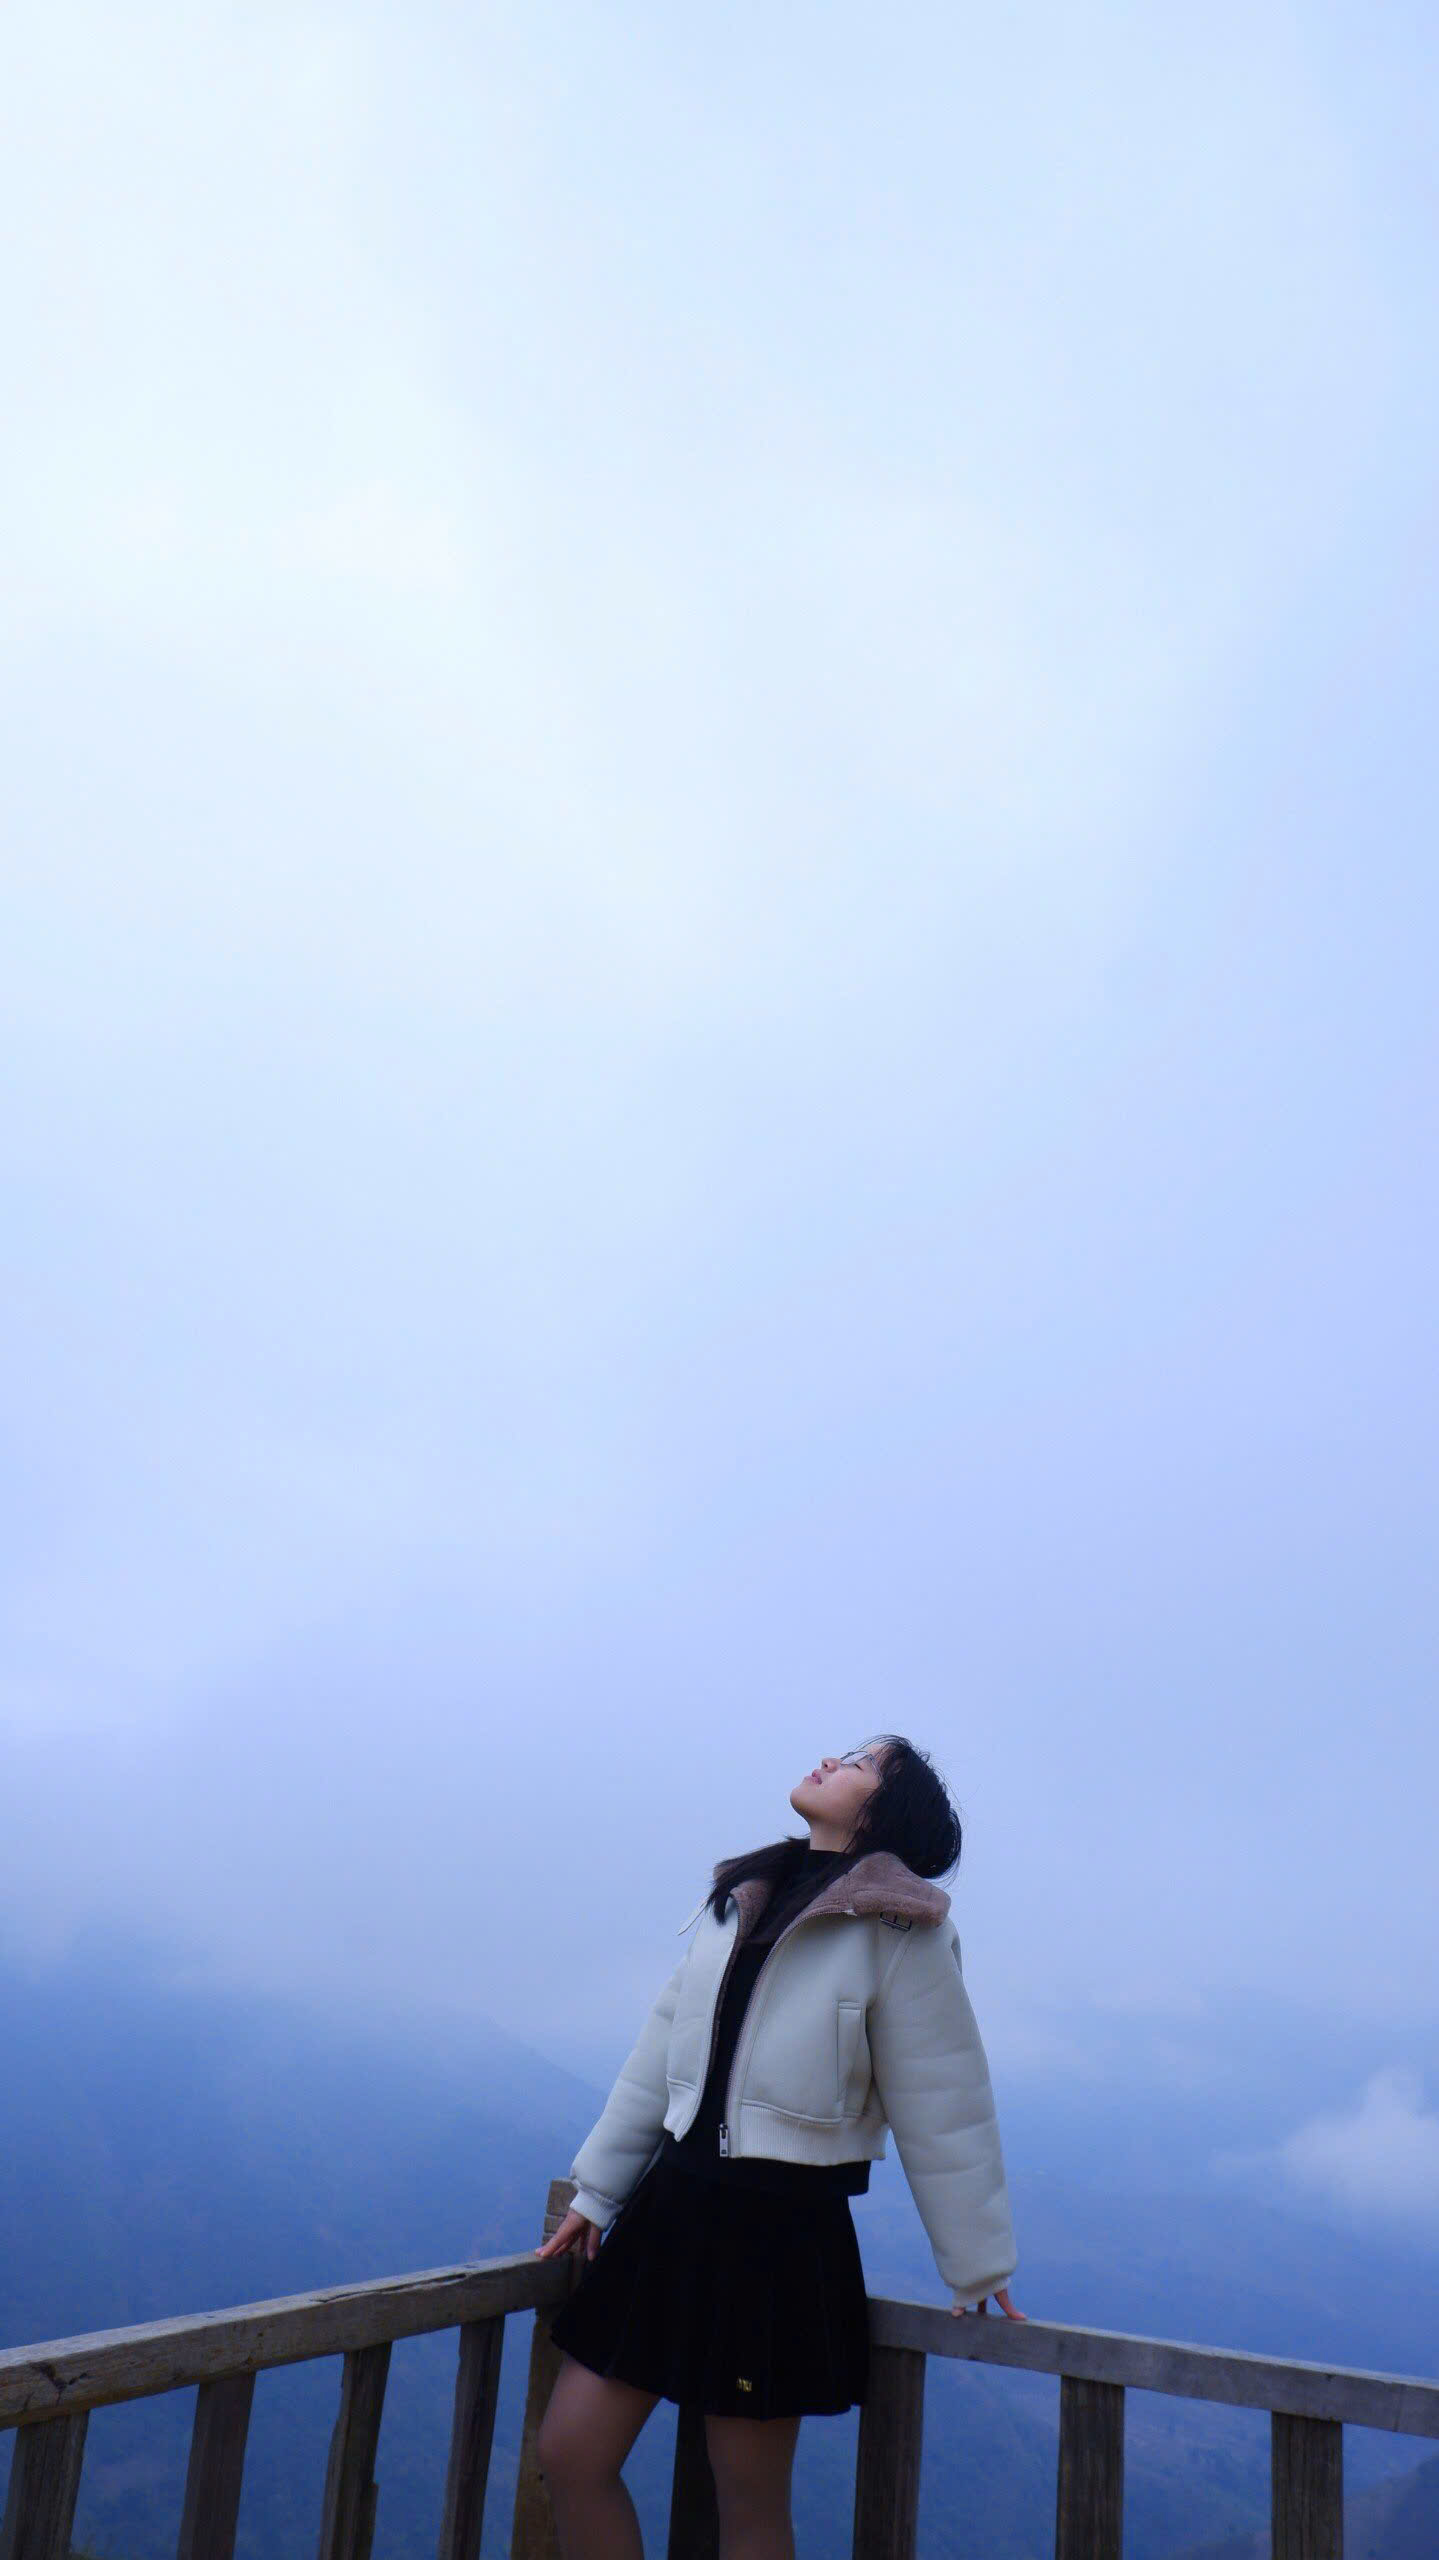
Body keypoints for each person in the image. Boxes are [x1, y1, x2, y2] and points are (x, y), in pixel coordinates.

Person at [534, 1736, 1022, 2560]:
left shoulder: (903, 1931)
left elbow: (946, 2100)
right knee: (570, 2453)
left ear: (883, 1812)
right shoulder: (742, 1894)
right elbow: (659, 2057)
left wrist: (977, 2262)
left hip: (780, 2233)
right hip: (669, 2213)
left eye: (861, 1764)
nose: (831, 1762)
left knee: (749, 2508)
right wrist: (596, 2193)